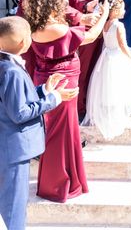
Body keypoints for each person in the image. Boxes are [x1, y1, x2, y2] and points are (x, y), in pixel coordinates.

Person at [22, 0, 108, 203]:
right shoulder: (55, 27)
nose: (65, 0)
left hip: (53, 78)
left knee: (65, 131)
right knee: (60, 133)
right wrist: (105, 15)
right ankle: (57, 185)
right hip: (62, 82)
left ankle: (66, 179)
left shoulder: (39, 23)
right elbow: (90, 37)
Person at [0, 16, 78, 230]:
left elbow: (11, 101)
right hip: (13, 150)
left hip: (9, 147)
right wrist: (54, 99)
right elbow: (19, 112)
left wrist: (44, 90)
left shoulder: (6, 65)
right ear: (24, 43)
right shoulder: (12, 71)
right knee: (12, 207)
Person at [83, 0, 131, 140]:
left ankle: (110, 112)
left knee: (108, 86)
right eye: (122, 8)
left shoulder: (105, 24)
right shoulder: (118, 26)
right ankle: (119, 113)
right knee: (119, 86)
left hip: (106, 55)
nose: (125, 11)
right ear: (115, 11)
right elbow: (123, 45)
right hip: (116, 56)